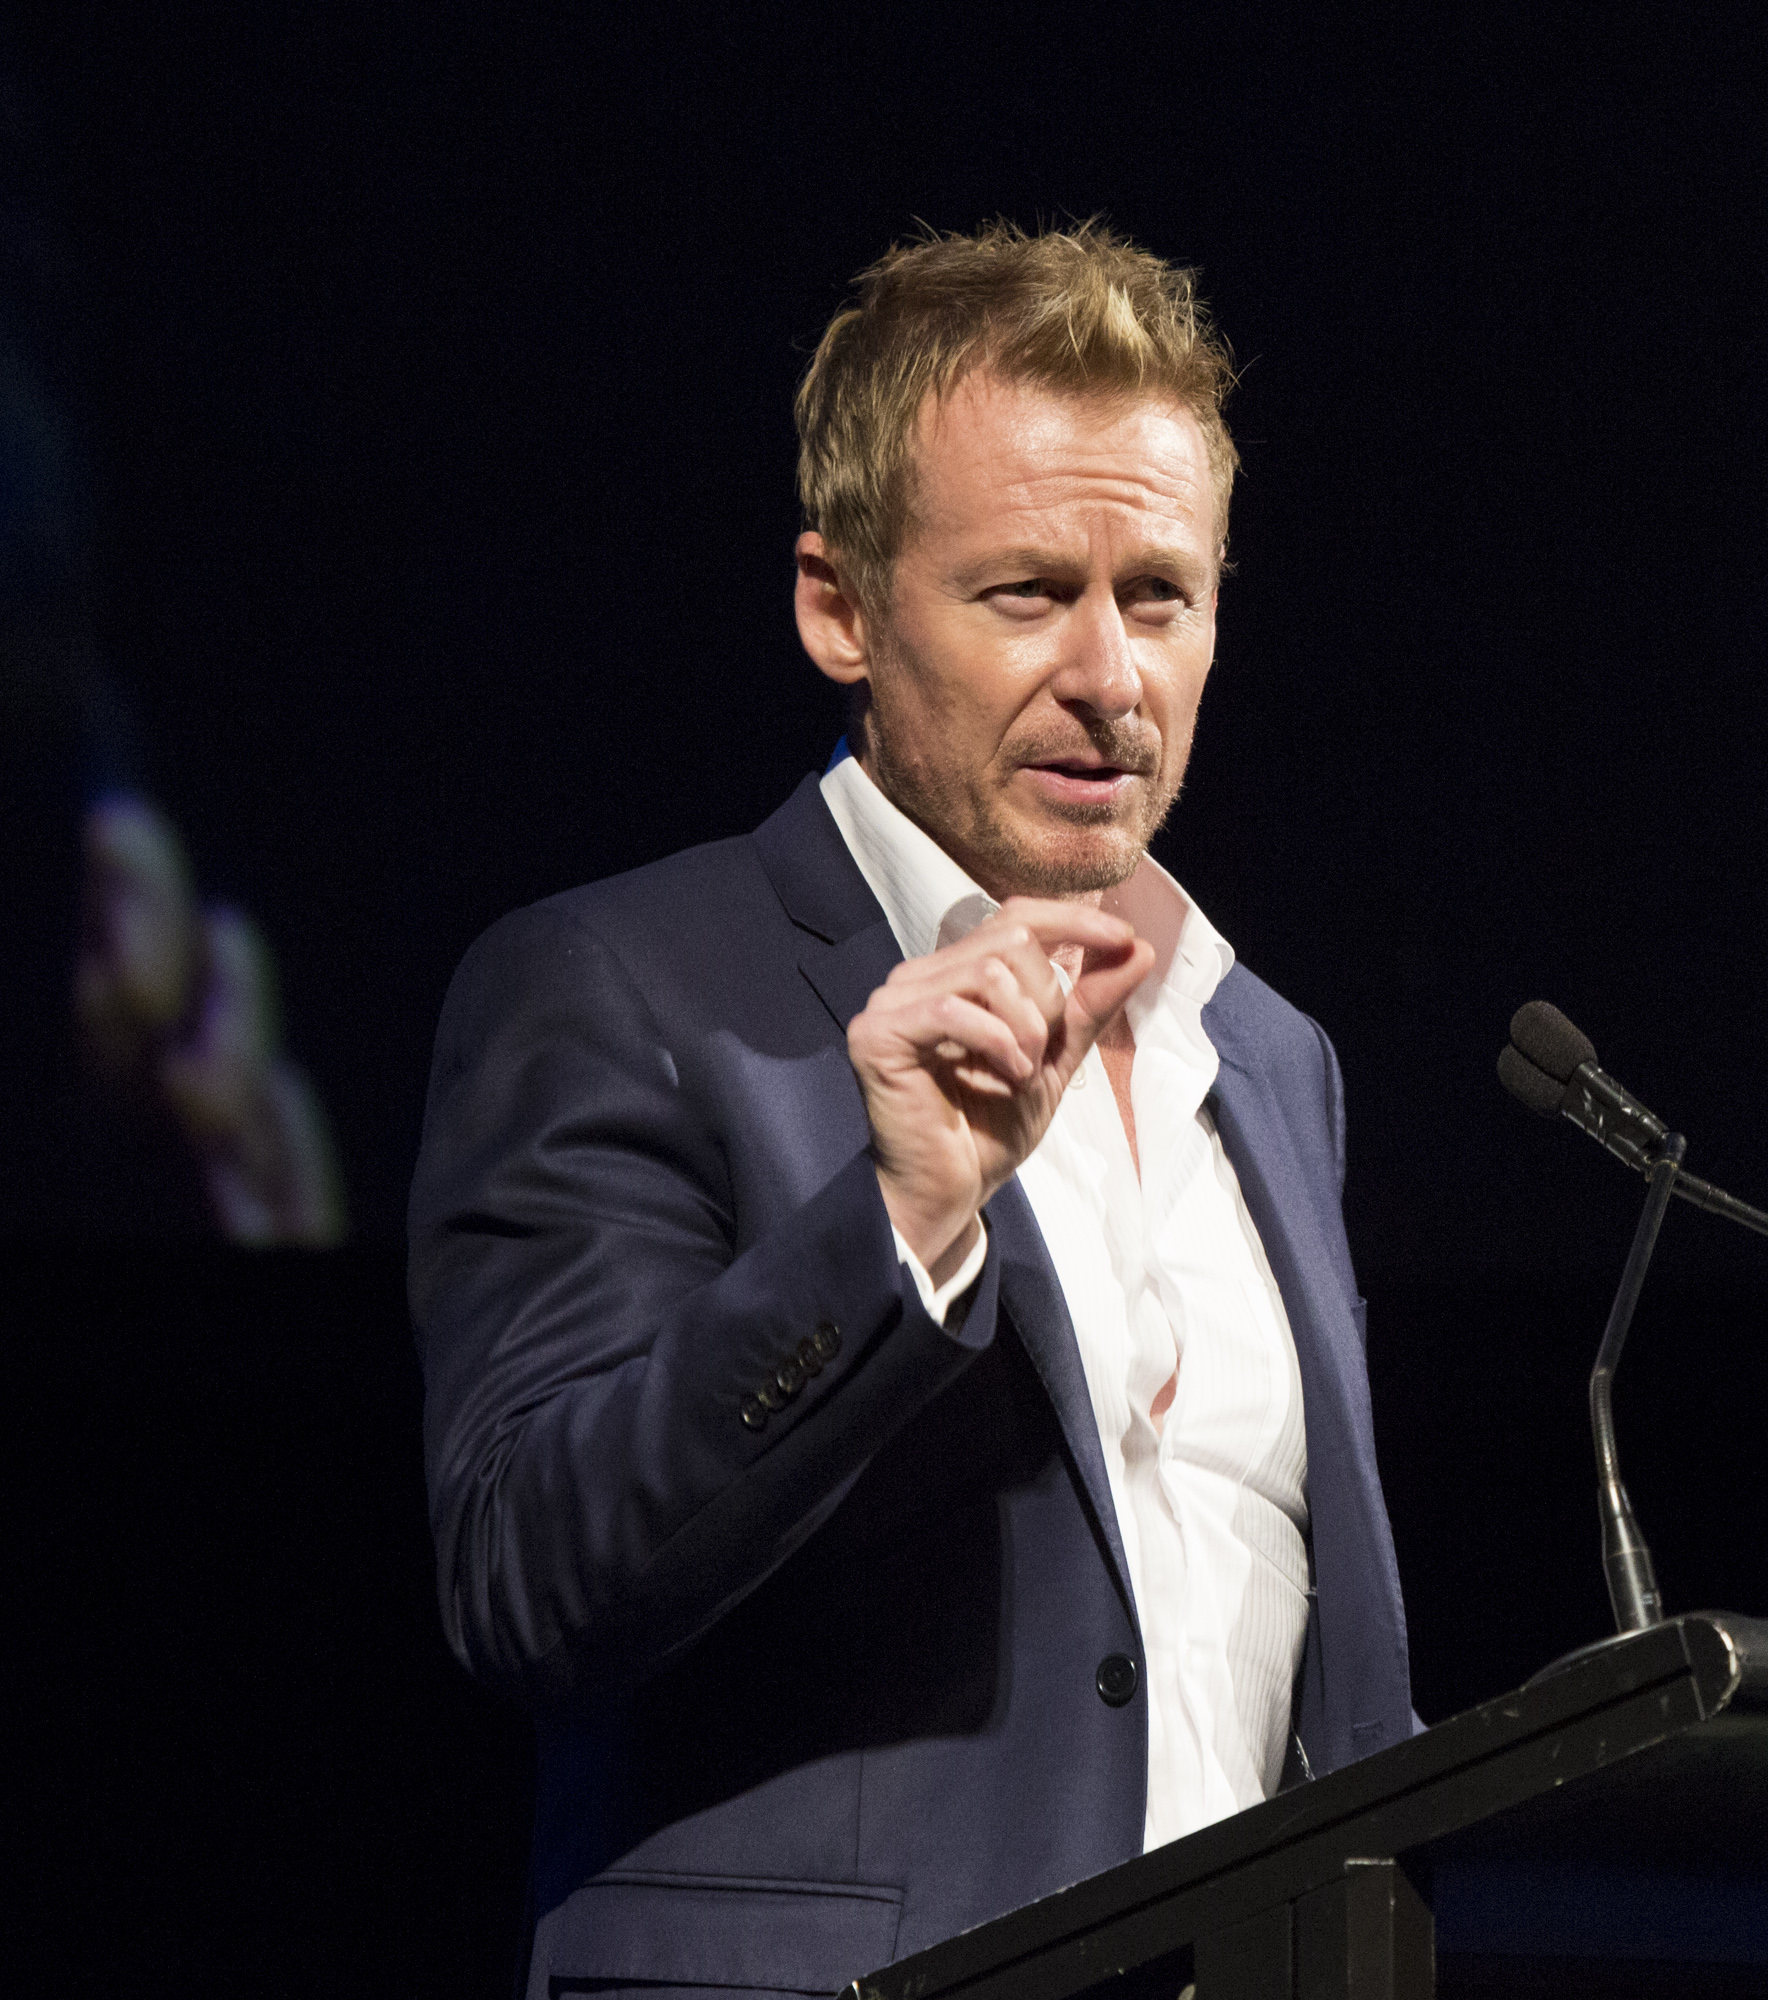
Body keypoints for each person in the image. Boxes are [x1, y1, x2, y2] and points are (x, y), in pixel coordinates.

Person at [410, 220, 1415, 1997]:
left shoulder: (1267, 1056)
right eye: (1029, 592)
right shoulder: (621, 987)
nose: (1110, 677)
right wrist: (896, 1222)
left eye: (1160, 596)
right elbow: (529, 1573)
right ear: (840, 608)